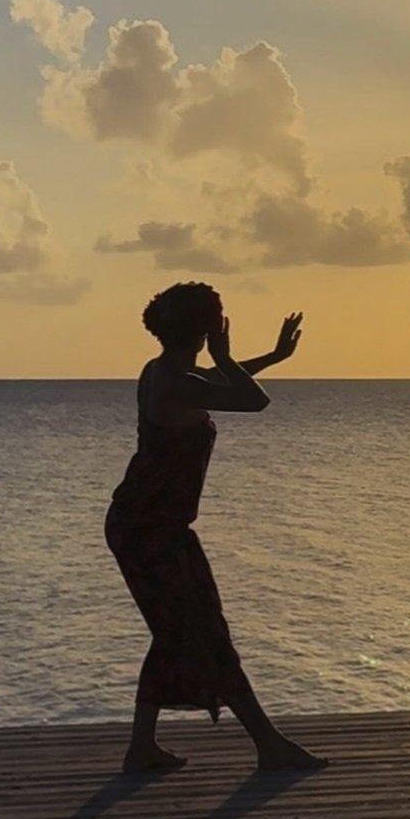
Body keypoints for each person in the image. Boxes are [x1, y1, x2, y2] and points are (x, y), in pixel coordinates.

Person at [105, 281, 324, 775]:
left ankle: (143, 749)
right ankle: (268, 745)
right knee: (200, 632)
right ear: (205, 327)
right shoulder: (173, 380)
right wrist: (228, 358)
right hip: (147, 529)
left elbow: (218, 383)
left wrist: (272, 356)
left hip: (152, 526)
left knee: (179, 631)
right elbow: (253, 402)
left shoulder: (167, 372)